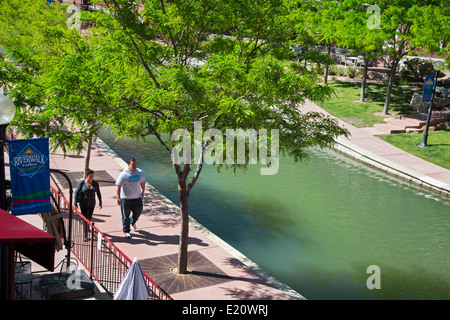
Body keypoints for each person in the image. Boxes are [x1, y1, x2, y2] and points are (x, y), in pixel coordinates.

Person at [115, 158, 146, 238]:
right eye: (133, 164)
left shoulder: (140, 172)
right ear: (128, 165)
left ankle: (132, 222)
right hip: (125, 199)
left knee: (138, 212)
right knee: (125, 216)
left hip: (137, 197)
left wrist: (143, 191)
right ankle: (126, 231)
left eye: (135, 164)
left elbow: (142, 182)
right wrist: (118, 198)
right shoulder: (123, 174)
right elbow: (118, 187)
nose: (134, 166)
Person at [75, 169, 102, 241]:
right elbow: (76, 192)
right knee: (85, 219)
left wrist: (100, 202)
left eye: (93, 176)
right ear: (86, 176)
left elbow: (98, 192)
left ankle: (87, 228)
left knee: (89, 218)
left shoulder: (95, 183)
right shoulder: (82, 183)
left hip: (92, 204)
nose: (92, 178)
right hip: (83, 204)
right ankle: (85, 234)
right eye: (90, 176)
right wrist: (75, 203)